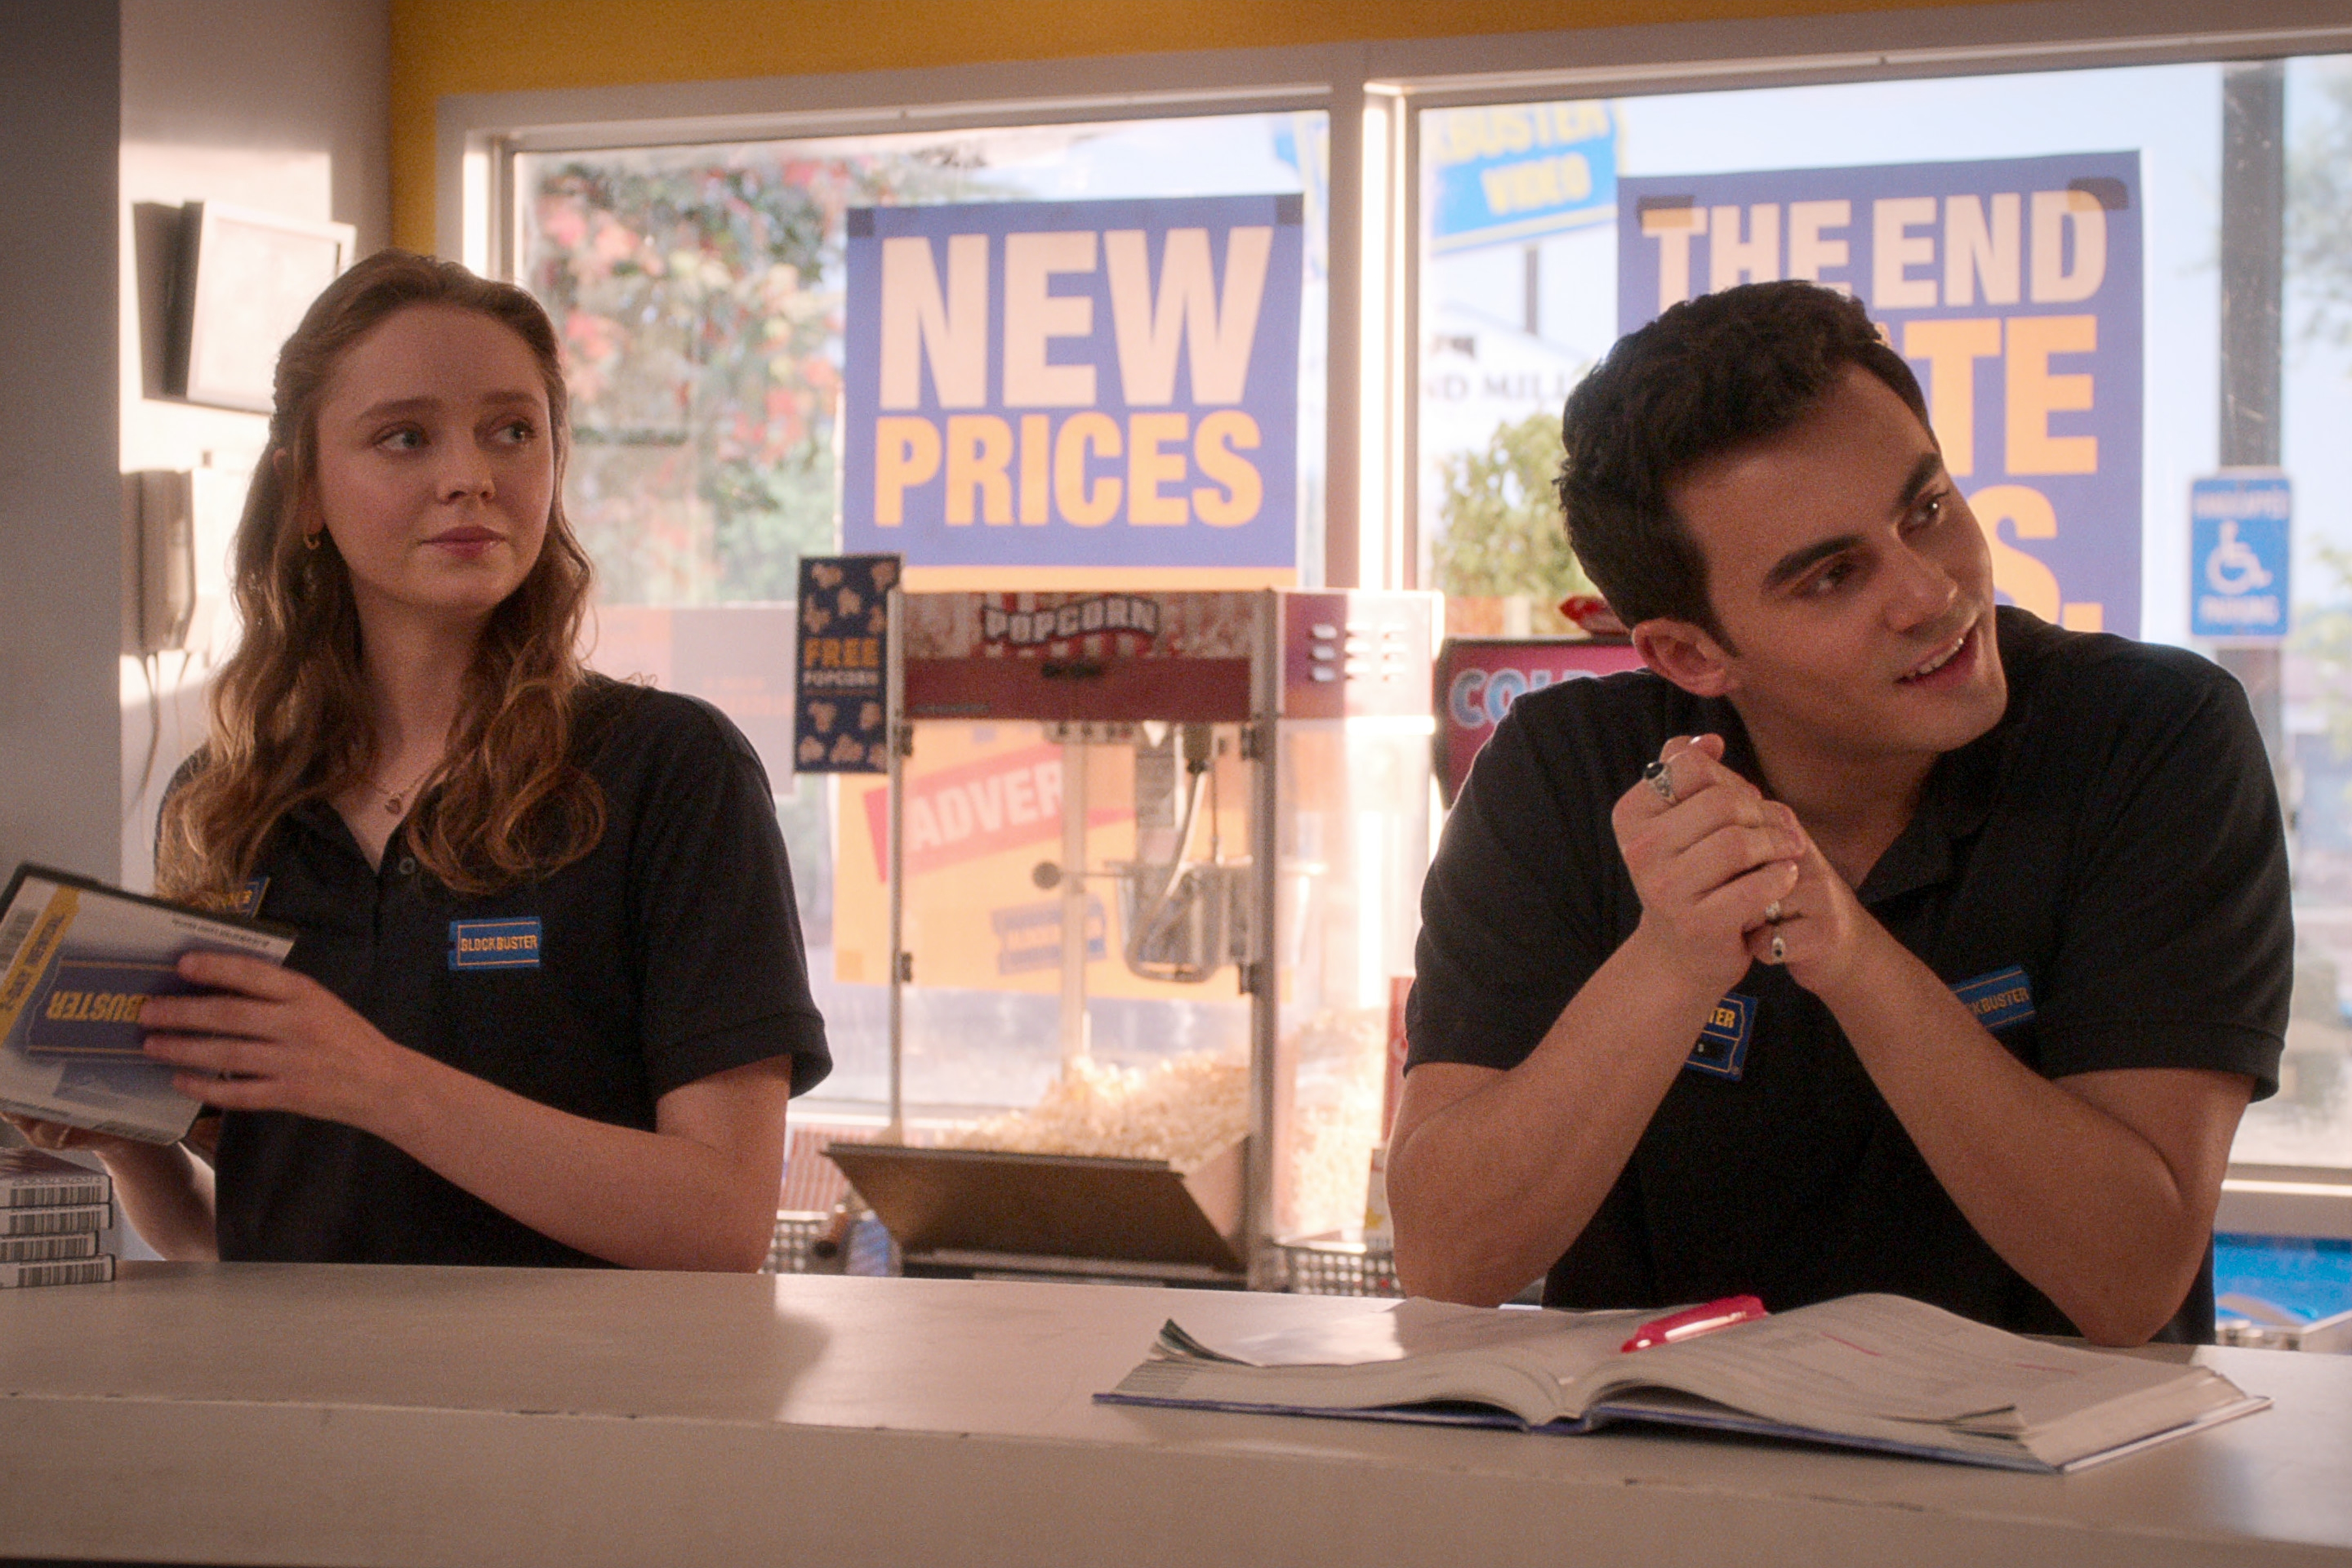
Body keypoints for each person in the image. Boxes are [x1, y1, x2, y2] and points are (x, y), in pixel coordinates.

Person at [1386, 280, 2288, 1346]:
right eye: (1831, 577)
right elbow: (1448, 1261)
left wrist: (1853, 959)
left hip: (2058, 1456)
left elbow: (2132, 1281)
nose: (1932, 593)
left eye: (1927, 510)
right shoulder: (1564, 770)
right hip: (1653, 1449)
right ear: (1692, 655)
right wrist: (1672, 959)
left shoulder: (2152, 736)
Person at [5, 250, 829, 1270]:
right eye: (405, 437)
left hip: (580, 1381)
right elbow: (244, 1249)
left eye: (513, 431)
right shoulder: (224, 805)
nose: (470, 476)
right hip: (288, 1378)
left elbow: (720, 1224)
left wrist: (378, 1082)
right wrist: (136, 1152)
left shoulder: (671, 773)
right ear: (305, 491)